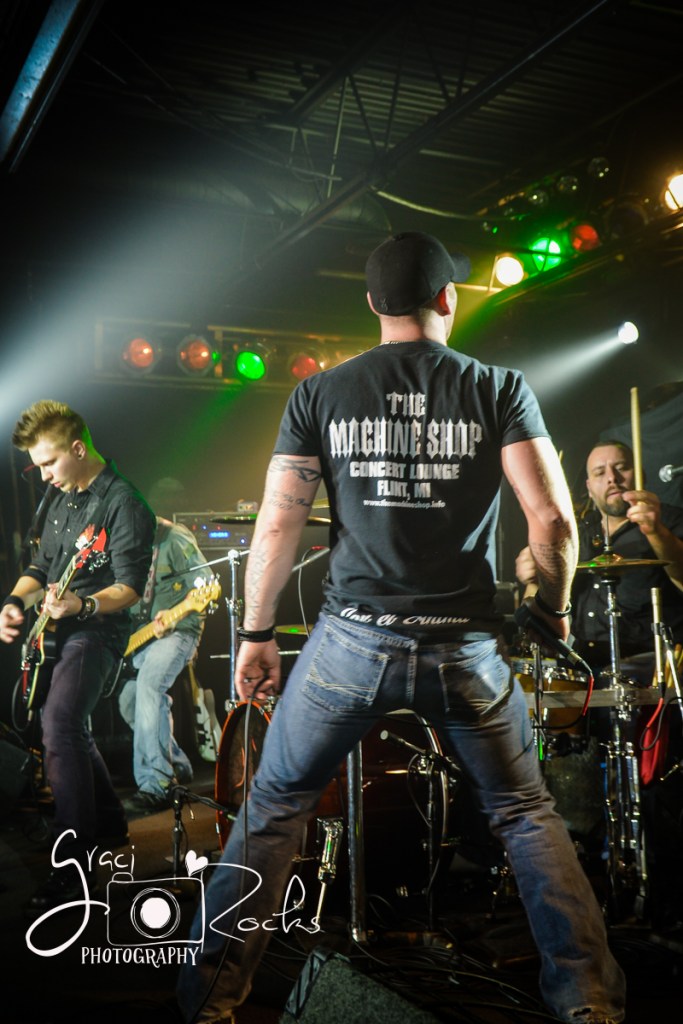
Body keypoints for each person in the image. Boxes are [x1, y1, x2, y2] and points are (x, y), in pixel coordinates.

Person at [176, 231, 626, 1024]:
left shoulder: (320, 392)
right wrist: (553, 611)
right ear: (447, 297)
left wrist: (255, 635)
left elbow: (278, 525)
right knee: (524, 814)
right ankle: (586, 1001)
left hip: (350, 642)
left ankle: (209, 1003)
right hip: (463, 646)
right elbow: (553, 521)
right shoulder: (498, 387)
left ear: (372, 304)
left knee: (274, 807)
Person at [516, 439, 683, 931]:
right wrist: (531, 583)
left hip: (648, 674)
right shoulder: (577, 534)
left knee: (653, 791)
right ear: (587, 485)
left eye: (621, 467)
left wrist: (656, 533)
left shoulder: (668, 520)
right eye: (600, 471)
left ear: (638, 472)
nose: (613, 477)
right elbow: (541, 622)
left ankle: (657, 892)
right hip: (583, 674)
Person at [0, 400, 156, 912]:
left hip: (98, 631)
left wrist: (83, 604)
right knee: (64, 723)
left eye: (49, 463)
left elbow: (130, 587)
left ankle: (73, 863)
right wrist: (14, 602)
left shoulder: (125, 504)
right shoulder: (58, 498)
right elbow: (40, 567)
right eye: (38, 467)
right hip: (55, 630)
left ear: (78, 449)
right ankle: (108, 822)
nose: (44, 476)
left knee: (61, 723)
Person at [118, 515, 214, 814]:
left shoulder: (175, 538)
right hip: (144, 636)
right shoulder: (127, 542)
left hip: (179, 630)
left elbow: (207, 584)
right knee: (129, 701)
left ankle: (156, 784)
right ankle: (178, 765)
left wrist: (176, 615)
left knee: (149, 686)